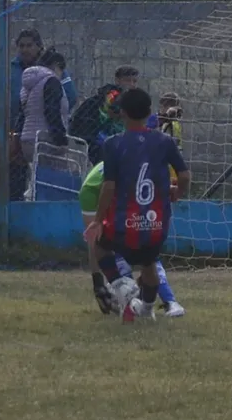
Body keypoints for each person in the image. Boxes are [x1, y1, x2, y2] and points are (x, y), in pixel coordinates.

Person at [84, 89, 191, 323]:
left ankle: (123, 286)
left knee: (101, 248)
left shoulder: (113, 144)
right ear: (150, 112)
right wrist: (177, 192)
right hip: (155, 222)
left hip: (122, 223)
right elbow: (184, 175)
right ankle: (146, 308)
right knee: (149, 263)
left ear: (122, 113)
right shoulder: (165, 141)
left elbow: (109, 186)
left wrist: (98, 220)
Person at [80, 161, 186, 317]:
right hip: (108, 194)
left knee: (145, 249)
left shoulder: (139, 171)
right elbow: (94, 240)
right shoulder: (91, 191)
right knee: (111, 243)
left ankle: (162, 301)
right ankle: (130, 298)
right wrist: (98, 284)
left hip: (133, 197)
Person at [69, 66, 139, 164]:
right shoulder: (106, 100)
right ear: (118, 81)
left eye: (134, 81)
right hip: (101, 144)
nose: (131, 85)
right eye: (127, 80)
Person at [16, 50, 70, 163]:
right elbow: (52, 111)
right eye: (61, 71)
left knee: (35, 176)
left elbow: (23, 112)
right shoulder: (51, 81)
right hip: (45, 139)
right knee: (51, 176)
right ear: (56, 66)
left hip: (27, 139)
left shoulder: (30, 84)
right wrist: (61, 140)